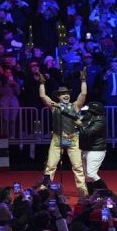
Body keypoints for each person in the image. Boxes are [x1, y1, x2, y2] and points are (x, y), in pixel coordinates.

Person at [39, 69, 88, 198]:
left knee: (78, 167)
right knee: (50, 166)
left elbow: (83, 94)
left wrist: (83, 80)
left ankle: (83, 191)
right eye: (63, 94)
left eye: (67, 93)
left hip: (73, 139)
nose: (66, 95)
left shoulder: (75, 106)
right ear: (58, 96)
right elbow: (43, 97)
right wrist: (42, 83)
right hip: (57, 139)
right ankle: (44, 190)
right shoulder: (54, 106)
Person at [76, 101, 107, 193]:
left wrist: (79, 124)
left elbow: (87, 133)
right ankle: (91, 195)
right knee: (86, 176)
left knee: (91, 173)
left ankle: (106, 193)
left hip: (96, 150)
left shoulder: (100, 121)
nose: (86, 113)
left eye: (89, 111)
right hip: (85, 149)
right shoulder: (87, 118)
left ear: (94, 112)